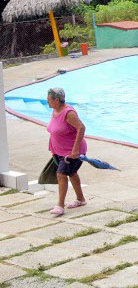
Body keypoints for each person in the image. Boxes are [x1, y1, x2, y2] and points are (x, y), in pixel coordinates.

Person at [46, 88, 87, 216]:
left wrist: (75, 149)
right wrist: (53, 149)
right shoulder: (55, 110)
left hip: (71, 152)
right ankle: (81, 199)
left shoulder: (69, 113)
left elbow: (81, 128)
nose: (48, 103)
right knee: (72, 173)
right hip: (59, 151)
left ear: (57, 100)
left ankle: (60, 205)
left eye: (49, 100)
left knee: (61, 175)